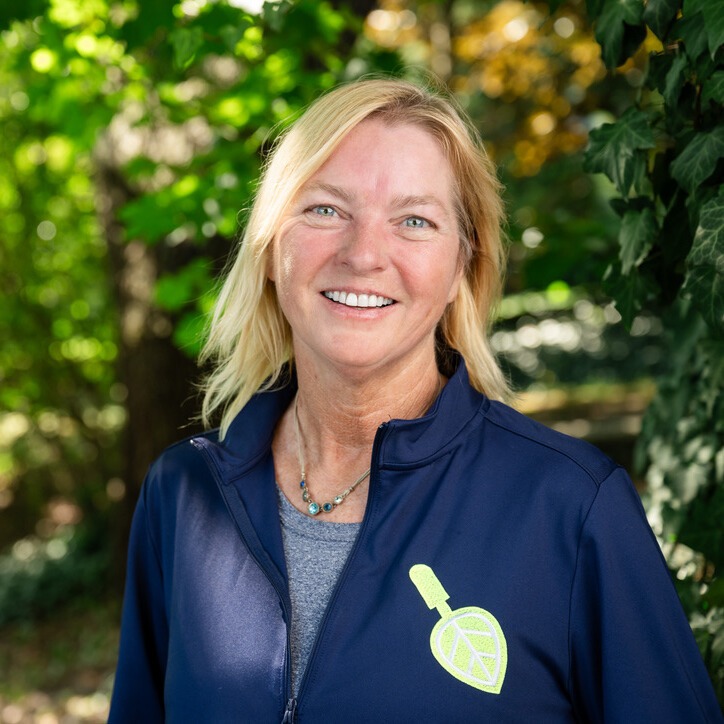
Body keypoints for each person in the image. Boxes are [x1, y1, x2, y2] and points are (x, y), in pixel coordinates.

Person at [109, 78, 722, 723]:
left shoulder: (570, 507)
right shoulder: (184, 495)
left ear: (463, 266)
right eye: (325, 209)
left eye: (414, 221)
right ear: (269, 246)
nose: (364, 254)